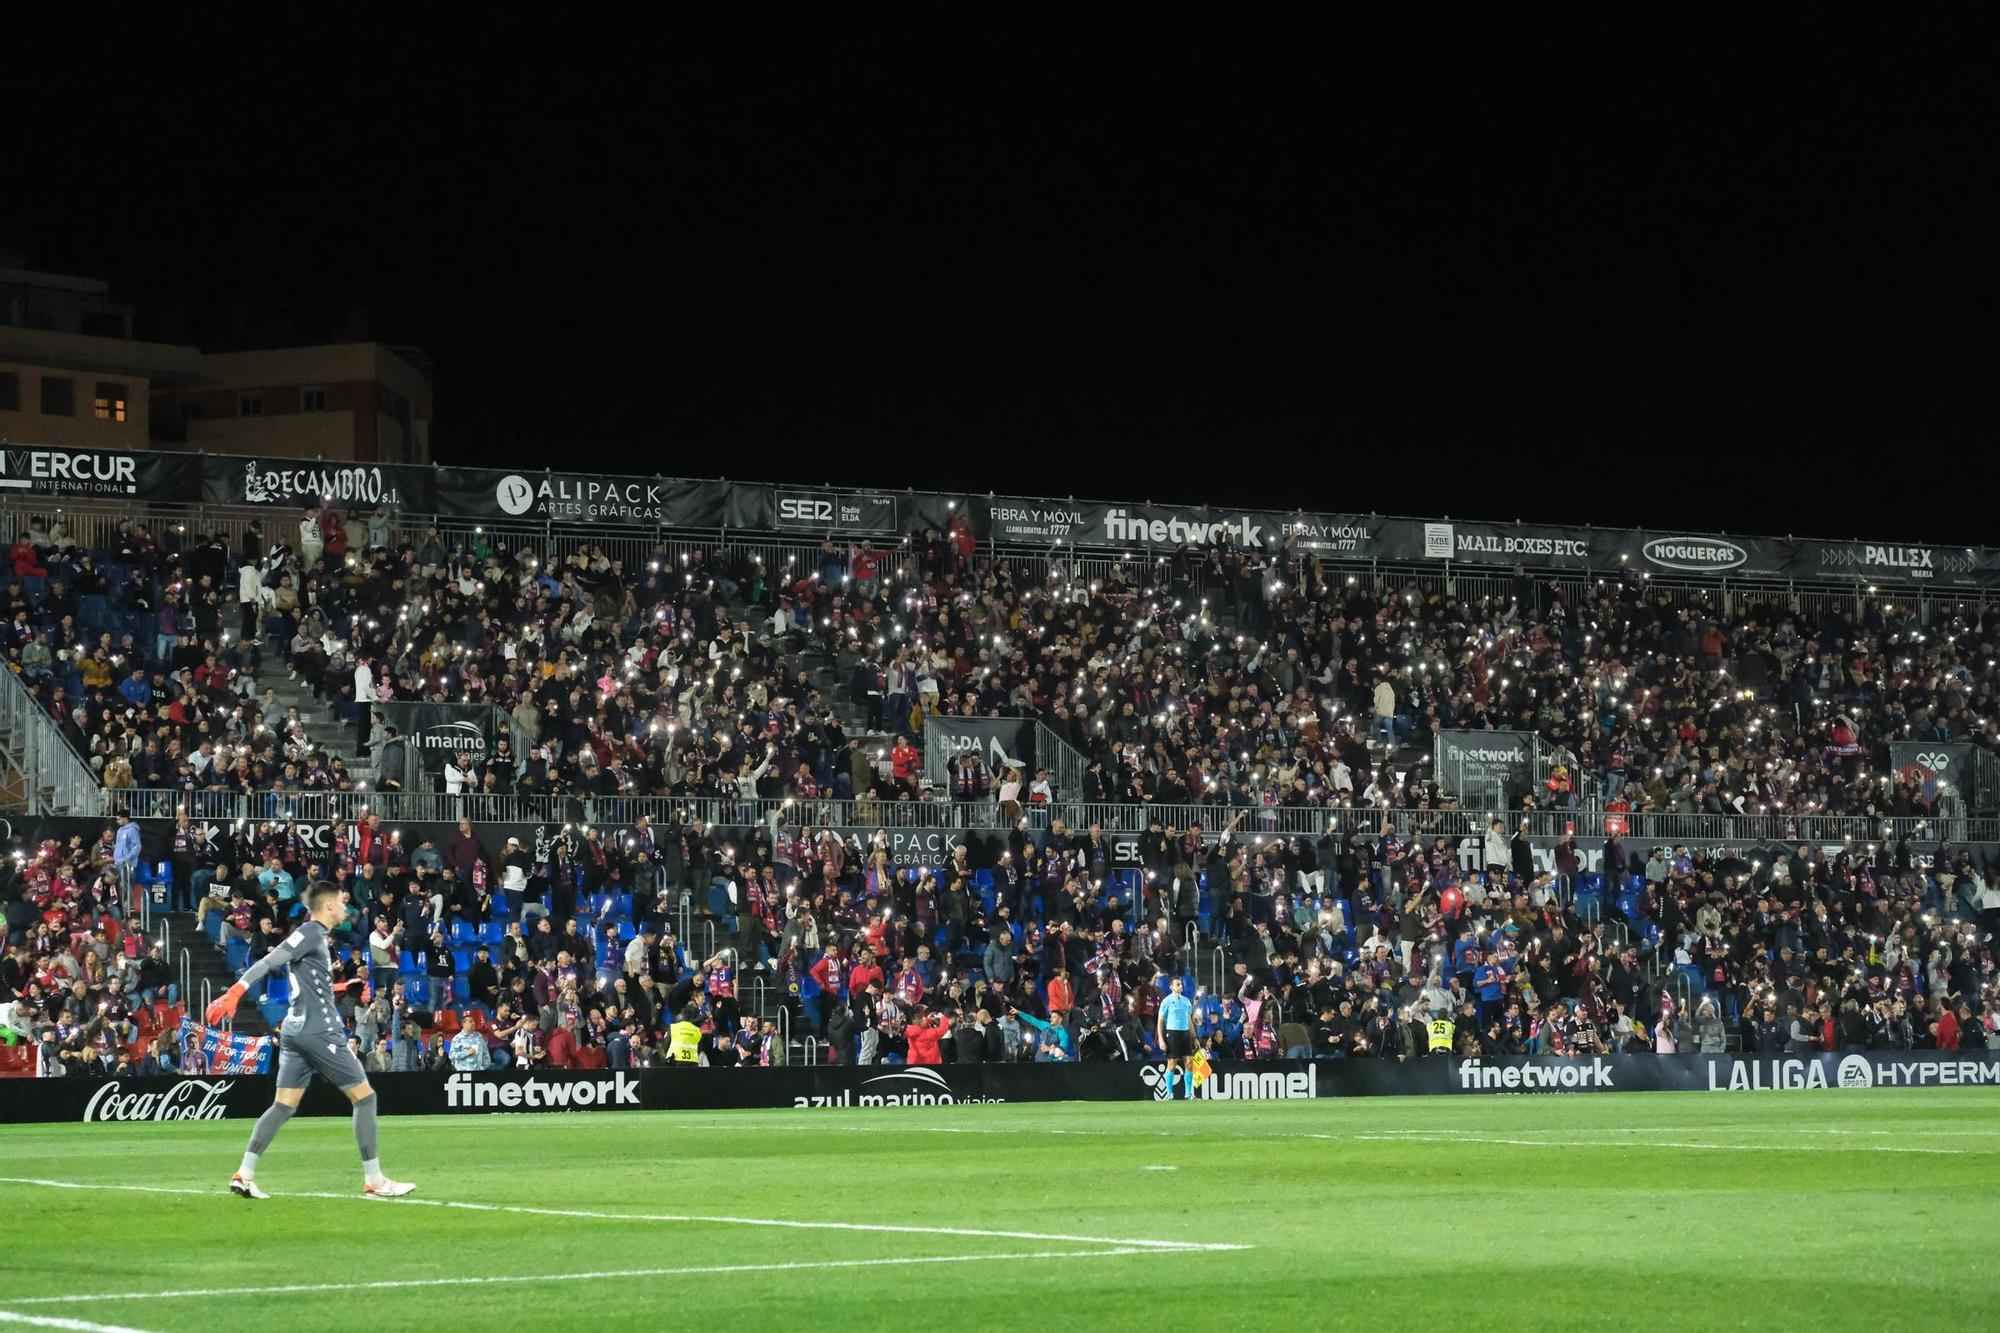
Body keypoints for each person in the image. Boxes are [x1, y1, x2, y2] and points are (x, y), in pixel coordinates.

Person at [204, 881, 414, 1200]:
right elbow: (270, 960)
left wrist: (342, 988)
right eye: (342, 903)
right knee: (365, 1098)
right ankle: (375, 1180)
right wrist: (236, 991)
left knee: (283, 1105)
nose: (346, 908)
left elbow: (306, 983)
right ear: (328, 906)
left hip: (294, 1031)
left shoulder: (315, 938)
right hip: (319, 1032)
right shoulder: (311, 932)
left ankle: (244, 1174)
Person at [1156, 974, 1195, 1100]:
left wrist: (1194, 1037)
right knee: (1172, 1063)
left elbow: (1189, 1020)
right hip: (1172, 1033)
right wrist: (1161, 1040)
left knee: (1189, 1063)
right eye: (1177, 984)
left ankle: (1189, 1093)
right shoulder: (1166, 1001)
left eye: (1181, 984)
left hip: (1185, 1034)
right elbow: (1160, 1021)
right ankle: (1169, 1093)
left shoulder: (1186, 1001)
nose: (1180, 986)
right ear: (1171, 987)